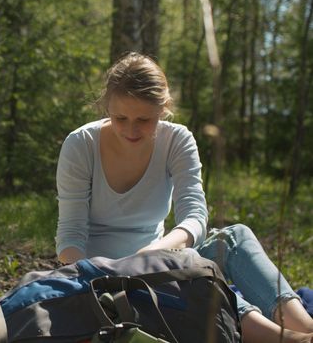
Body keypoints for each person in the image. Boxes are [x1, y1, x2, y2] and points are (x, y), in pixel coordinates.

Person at [55, 52, 313, 343]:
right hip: (104, 278)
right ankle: (285, 339)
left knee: (233, 238)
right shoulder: (81, 144)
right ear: (106, 107)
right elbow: (70, 238)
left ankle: (304, 326)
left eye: (144, 119)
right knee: (192, 268)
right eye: (120, 118)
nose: (130, 130)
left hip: (161, 255)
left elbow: (195, 217)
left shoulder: (177, 140)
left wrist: (156, 253)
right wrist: (101, 280)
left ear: (164, 109)